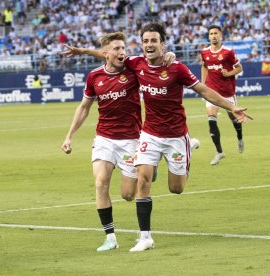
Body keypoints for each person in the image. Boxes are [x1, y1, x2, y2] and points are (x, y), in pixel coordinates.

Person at [63, 22, 252, 252]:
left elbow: (202, 89)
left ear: (163, 44)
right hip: (149, 134)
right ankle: (145, 237)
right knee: (142, 180)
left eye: (154, 41)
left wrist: (231, 106)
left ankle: (188, 149)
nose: (149, 45)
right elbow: (108, 55)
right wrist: (82, 51)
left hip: (175, 135)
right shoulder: (136, 64)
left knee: (176, 188)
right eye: (145, 41)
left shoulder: (178, 68)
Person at [61, 32, 141, 252]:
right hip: (105, 138)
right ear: (106, 53)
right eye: (116, 48)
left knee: (128, 195)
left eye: (123, 48)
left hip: (131, 140)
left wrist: (170, 55)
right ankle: (110, 237)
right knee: (100, 182)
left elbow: (155, 63)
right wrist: (69, 136)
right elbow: (84, 107)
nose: (122, 52)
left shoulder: (133, 70)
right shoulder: (94, 76)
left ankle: (149, 166)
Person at [201, 25, 245, 165]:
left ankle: (240, 137)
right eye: (211, 33)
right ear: (209, 36)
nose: (213, 36)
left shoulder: (228, 52)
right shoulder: (205, 52)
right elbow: (204, 66)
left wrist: (229, 73)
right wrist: (202, 85)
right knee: (211, 119)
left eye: (216, 33)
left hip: (227, 93)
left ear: (220, 36)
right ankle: (219, 152)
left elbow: (239, 68)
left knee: (234, 118)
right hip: (212, 92)